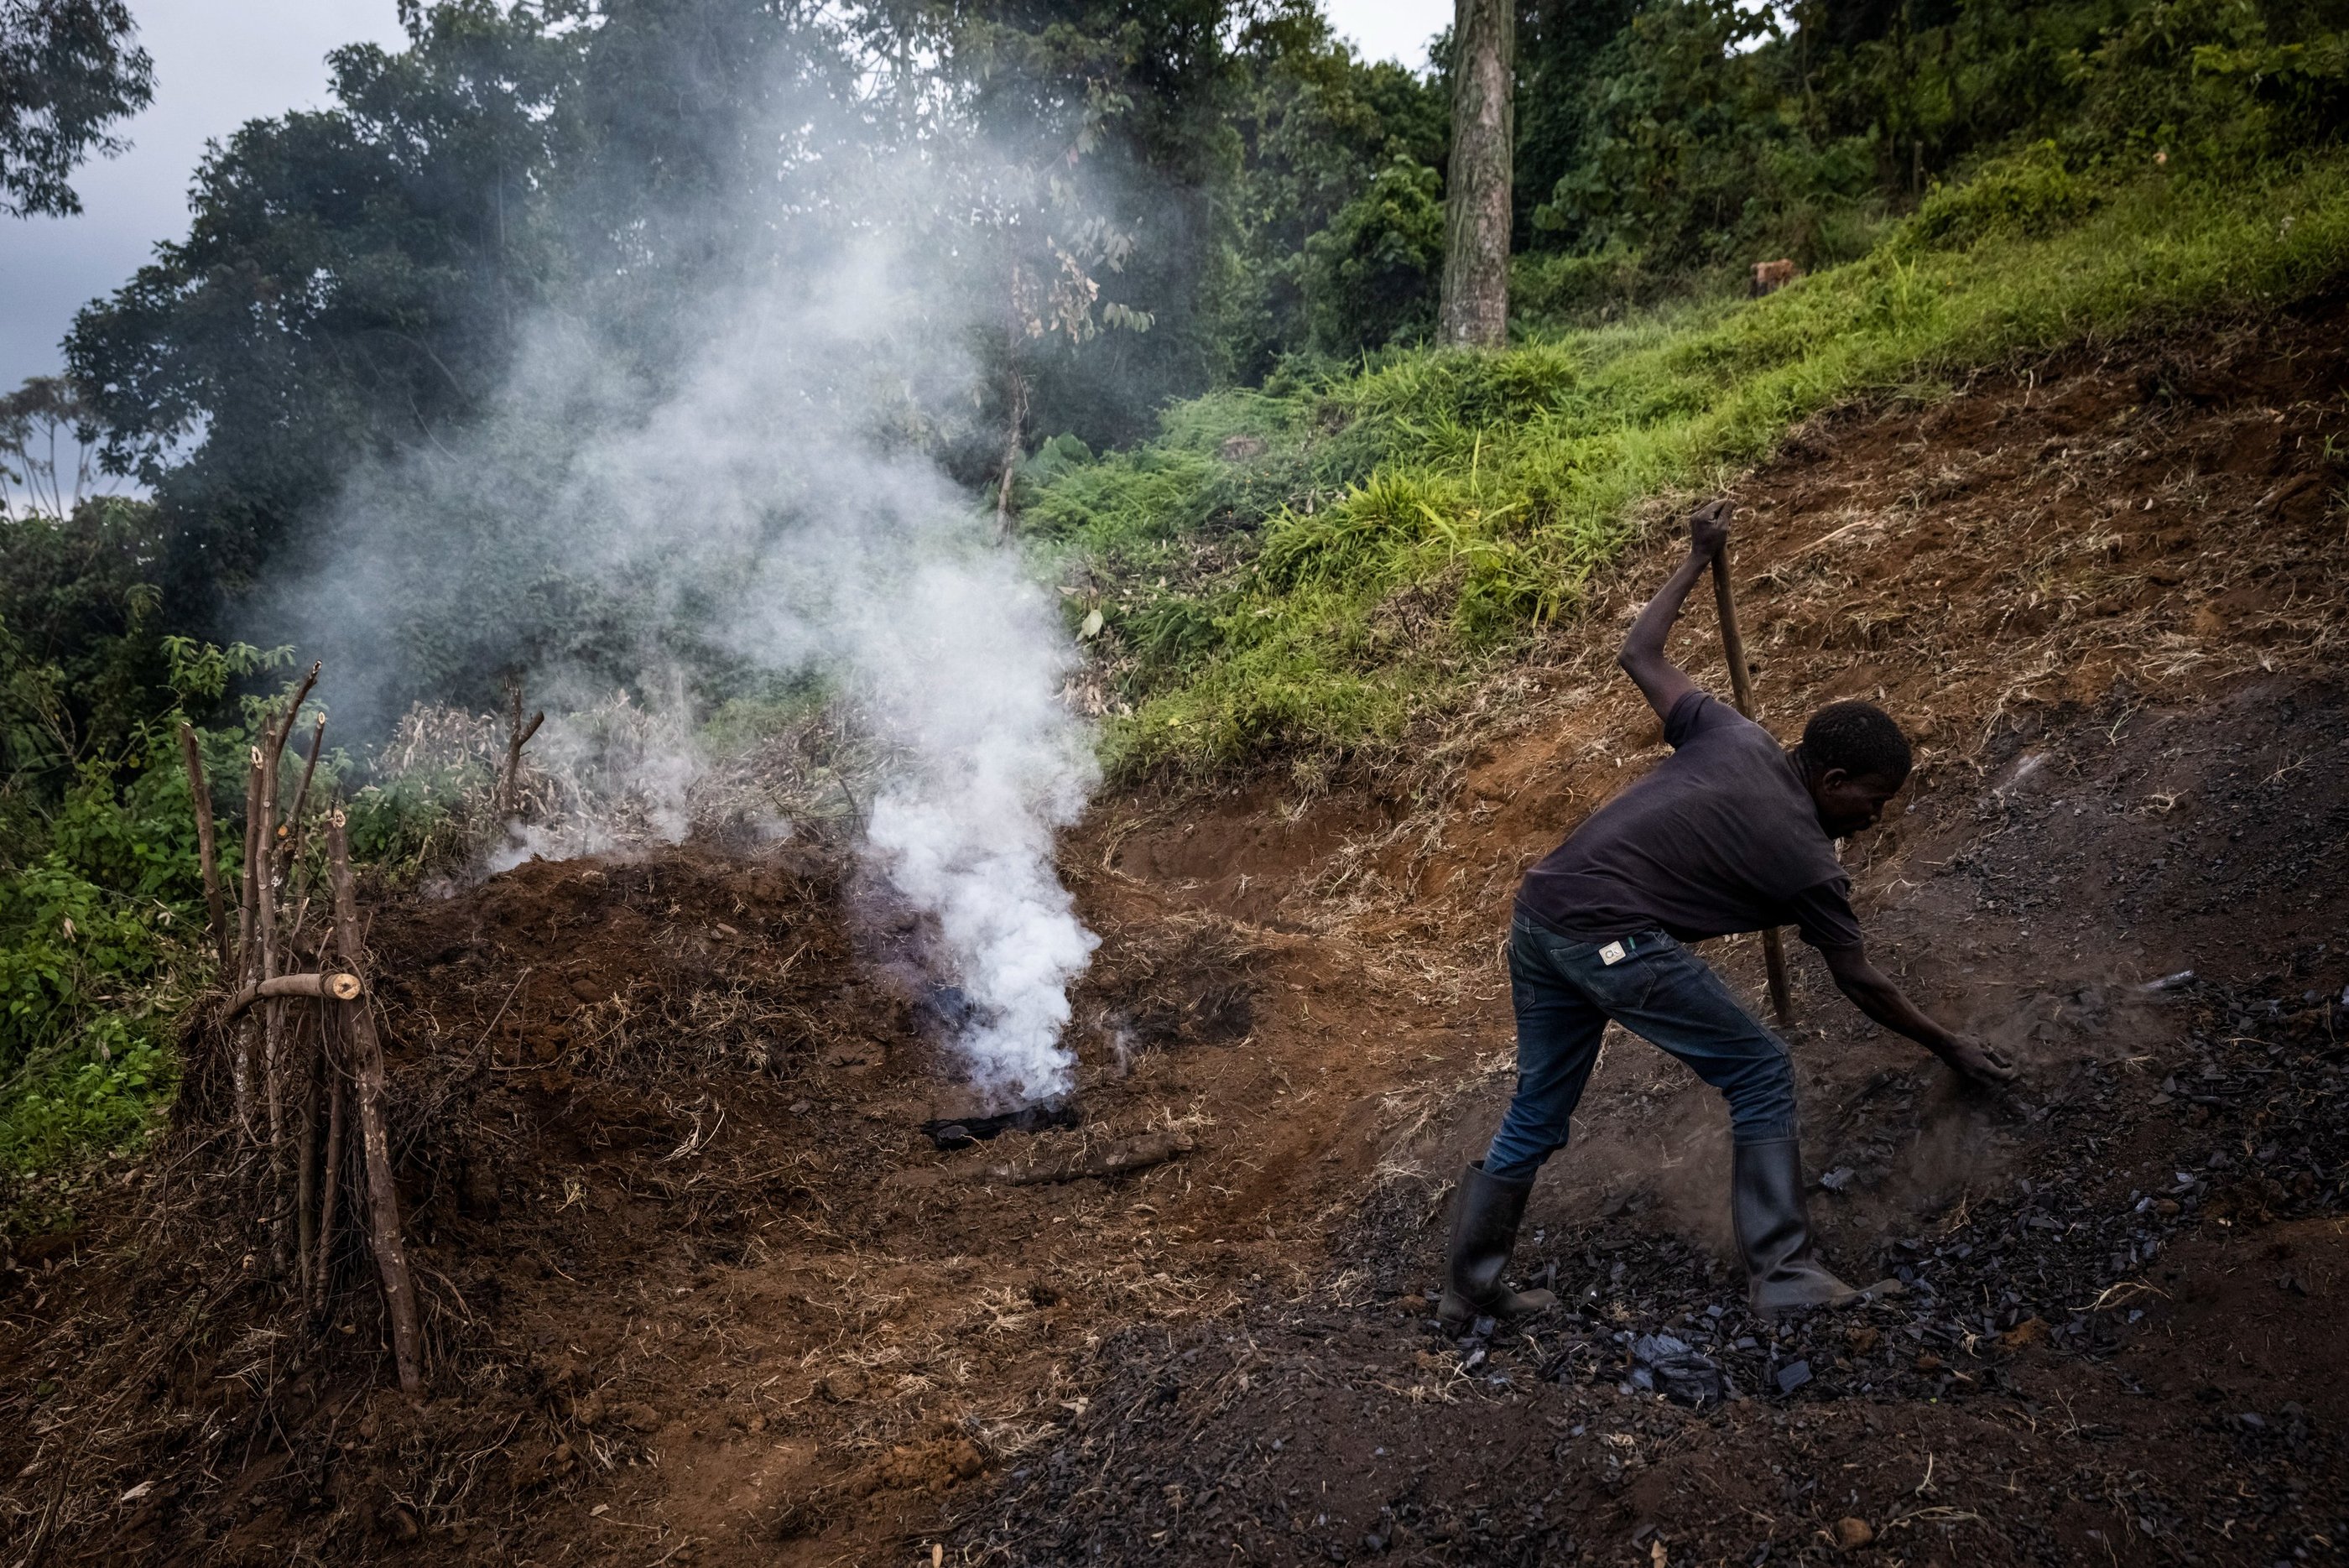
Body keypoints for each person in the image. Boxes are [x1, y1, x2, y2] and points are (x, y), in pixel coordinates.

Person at [1440, 499, 2017, 1328]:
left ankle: (1467, 1291)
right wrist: (1949, 1044)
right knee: (1760, 1069)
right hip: (1605, 937)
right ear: (1832, 780)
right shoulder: (1807, 860)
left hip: (1540, 916)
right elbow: (1859, 980)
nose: (1876, 816)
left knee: (1538, 1106)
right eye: (1873, 798)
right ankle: (1784, 1272)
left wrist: (1696, 556)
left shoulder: (1733, 733)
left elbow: (1639, 653)